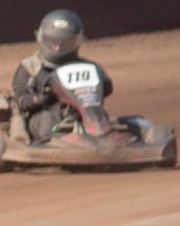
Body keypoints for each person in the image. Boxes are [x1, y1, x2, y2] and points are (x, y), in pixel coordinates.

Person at [12, 9, 113, 140]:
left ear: (77, 41)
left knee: (101, 117)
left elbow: (107, 88)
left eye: (65, 43)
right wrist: (41, 98)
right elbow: (21, 100)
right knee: (48, 123)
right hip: (47, 120)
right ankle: (58, 141)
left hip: (82, 118)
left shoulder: (86, 67)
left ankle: (100, 136)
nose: (59, 48)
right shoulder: (30, 67)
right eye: (54, 43)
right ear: (42, 39)